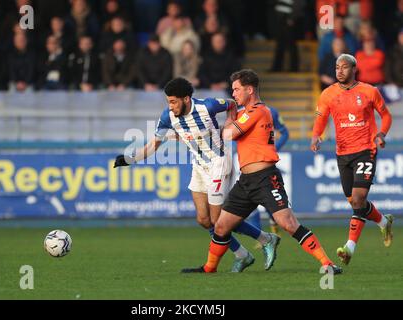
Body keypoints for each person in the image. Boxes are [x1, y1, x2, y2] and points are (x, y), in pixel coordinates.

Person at [182, 69, 342, 274]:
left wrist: (230, 115)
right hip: (246, 180)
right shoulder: (246, 113)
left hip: (266, 178)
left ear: (250, 90)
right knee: (221, 226)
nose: (234, 94)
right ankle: (209, 268)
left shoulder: (257, 110)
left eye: (237, 89)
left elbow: (228, 134)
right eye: (233, 90)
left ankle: (327, 263)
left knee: (288, 223)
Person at [113, 77, 279, 272]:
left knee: (219, 221)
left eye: (174, 101)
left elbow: (232, 104)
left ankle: (265, 239)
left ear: (186, 99)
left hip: (219, 163)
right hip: (199, 166)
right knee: (203, 220)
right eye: (168, 102)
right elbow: (152, 146)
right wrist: (129, 159)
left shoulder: (208, 106)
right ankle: (243, 254)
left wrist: (229, 123)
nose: (170, 106)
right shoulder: (168, 117)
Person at [311, 54, 394, 266]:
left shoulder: (369, 91)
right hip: (343, 154)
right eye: (337, 67)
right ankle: (384, 221)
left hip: (366, 150)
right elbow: (321, 119)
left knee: (357, 200)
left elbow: (386, 116)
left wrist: (381, 135)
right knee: (356, 202)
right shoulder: (328, 94)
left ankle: (349, 248)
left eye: (344, 67)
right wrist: (315, 137)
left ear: (354, 69)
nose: (339, 71)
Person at [245, 105, 289, 234]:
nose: (235, 94)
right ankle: (262, 237)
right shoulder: (238, 112)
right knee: (250, 201)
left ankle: (274, 225)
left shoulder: (270, 111)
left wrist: (273, 151)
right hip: (245, 162)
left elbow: (285, 133)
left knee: (269, 199)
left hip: (265, 164)